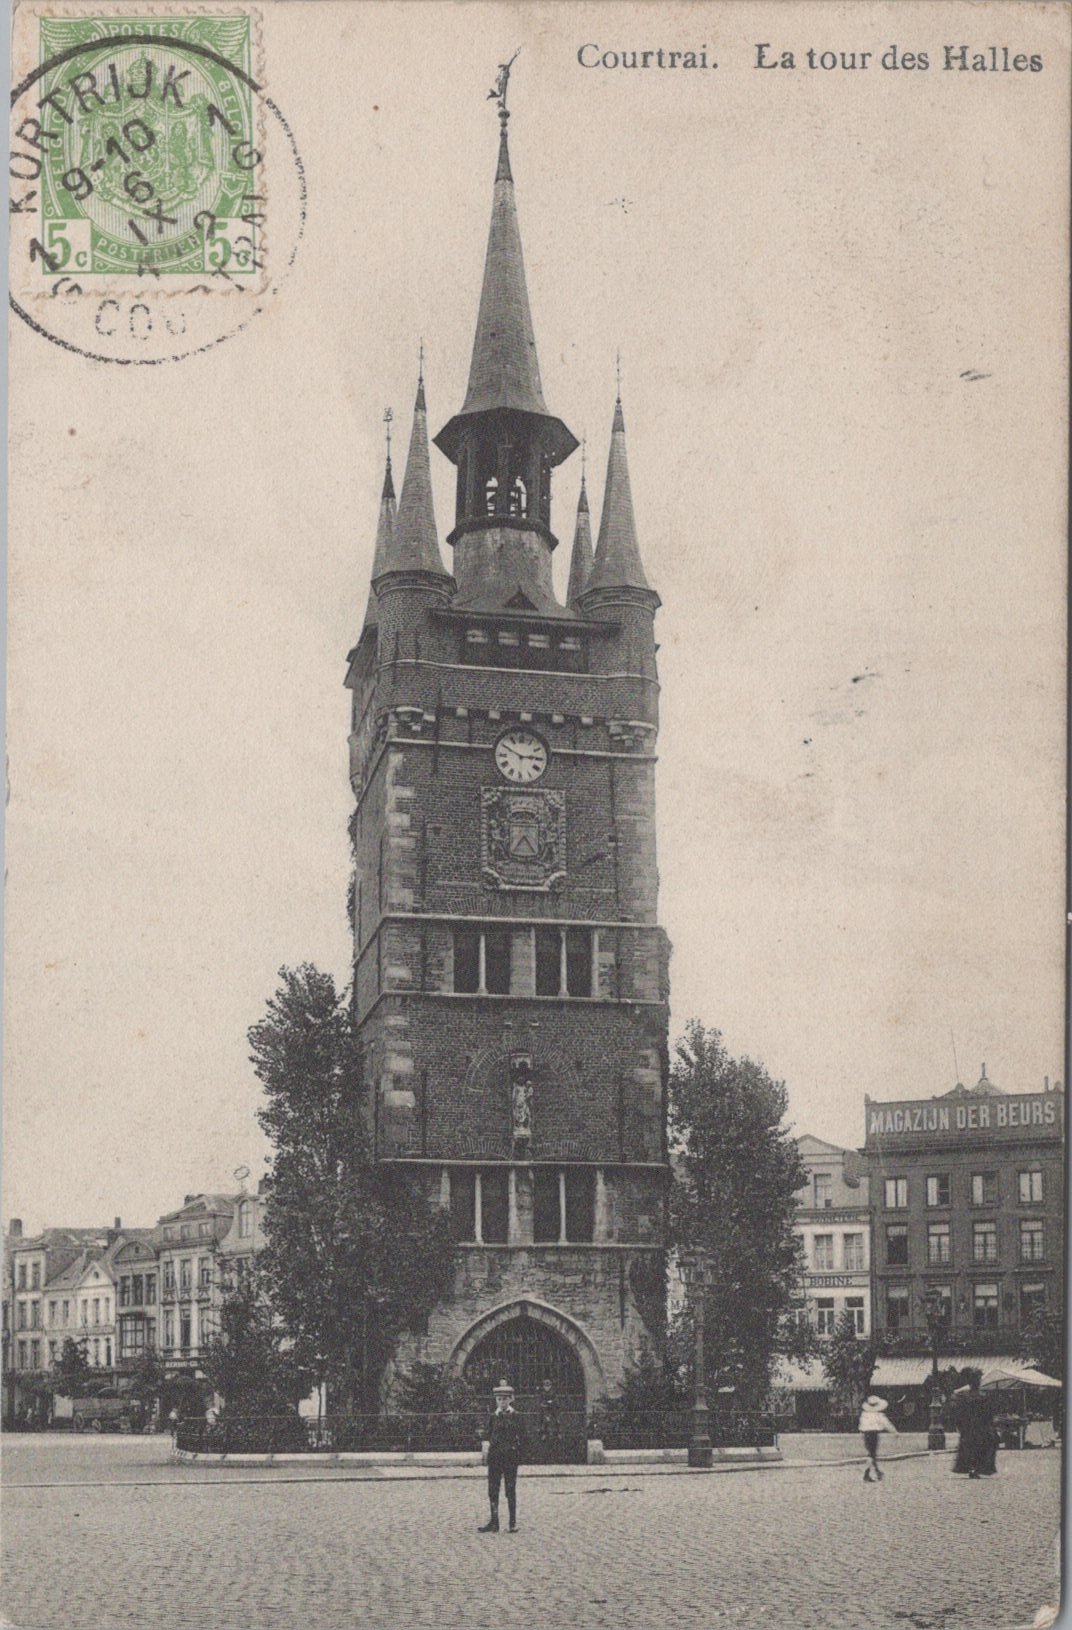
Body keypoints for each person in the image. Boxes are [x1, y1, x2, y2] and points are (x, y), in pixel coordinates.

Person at [479, 1378, 525, 1533]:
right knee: (493, 1489)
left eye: (505, 1399)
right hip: (495, 1458)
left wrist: (517, 1452)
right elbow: (488, 1434)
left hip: (510, 1458)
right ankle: (494, 1522)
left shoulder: (517, 1416)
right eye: (499, 1399)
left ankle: (512, 1523)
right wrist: (487, 1448)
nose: (502, 1402)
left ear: (511, 1399)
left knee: (510, 1489)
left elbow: (523, 1436)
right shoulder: (493, 1416)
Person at [953, 1376, 998, 1478]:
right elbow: (989, 1413)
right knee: (981, 1448)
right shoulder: (983, 1396)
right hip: (981, 1426)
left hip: (969, 1426)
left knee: (969, 1448)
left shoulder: (964, 1396)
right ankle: (978, 1468)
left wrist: (960, 1426)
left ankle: (971, 1468)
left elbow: (959, 1413)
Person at [858, 1393, 896, 1481]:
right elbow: (886, 1424)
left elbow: (861, 1425)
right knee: (872, 1454)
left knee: (871, 1454)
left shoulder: (864, 1414)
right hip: (874, 1434)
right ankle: (867, 1473)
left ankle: (877, 1472)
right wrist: (894, 1432)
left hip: (865, 1434)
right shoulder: (878, 1415)